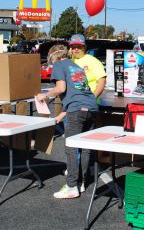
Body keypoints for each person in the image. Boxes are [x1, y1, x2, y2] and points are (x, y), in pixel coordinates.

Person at [36, 45, 98, 199]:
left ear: (54, 57)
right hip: (91, 108)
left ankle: (71, 186)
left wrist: (45, 95)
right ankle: (81, 183)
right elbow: (78, 94)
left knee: (71, 148)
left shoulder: (59, 64)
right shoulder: (77, 67)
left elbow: (61, 88)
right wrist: (61, 115)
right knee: (85, 148)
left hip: (77, 111)